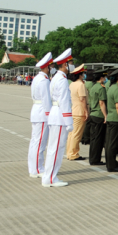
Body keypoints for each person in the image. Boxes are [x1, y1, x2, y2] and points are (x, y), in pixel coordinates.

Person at [41, 48, 75, 187]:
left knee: (53, 149)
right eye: (71, 63)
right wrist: (69, 122)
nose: (72, 65)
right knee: (57, 149)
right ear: (65, 64)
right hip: (60, 116)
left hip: (56, 115)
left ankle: (48, 177)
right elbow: (64, 102)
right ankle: (50, 179)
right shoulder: (61, 80)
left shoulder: (57, 78)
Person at [28, 52, 53, 178]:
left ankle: (33, 167)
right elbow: (46, 100)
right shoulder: (43, 80)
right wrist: (50, 115)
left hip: (37, 110)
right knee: (40, 143)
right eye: (50, 66)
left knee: (35, 141)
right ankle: (37, 169)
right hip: (42, 112)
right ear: (47, 67)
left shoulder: (38, 78)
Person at [65, 65, 89, 161]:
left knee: (72, 134)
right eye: (83, 74)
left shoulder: (72, 84)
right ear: (80, 75)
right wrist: (86, 111)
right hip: (79, 111)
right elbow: (82, 99)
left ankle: (69, 152)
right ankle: (73, 154)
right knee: (77, 134)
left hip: (73, 110)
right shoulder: (81, 85)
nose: (84, 75)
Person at [105, 67, 118, 172]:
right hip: (115, 119)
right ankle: (112, 165)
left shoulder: (111, 87)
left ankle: (110, 163)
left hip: (110, 117)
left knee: (109, 143)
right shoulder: (117, 89)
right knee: (113, 144)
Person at [87, 68, 108, 166]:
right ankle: (95, 159)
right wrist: (105, 116)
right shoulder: (100, 88)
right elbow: (102, 103)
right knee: (98, 139)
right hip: (99, 115)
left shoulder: (94, 87)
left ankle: (93, 158)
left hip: (93, 114)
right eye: (104, 76)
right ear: (101, 77)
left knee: (94, 138)